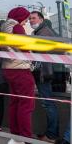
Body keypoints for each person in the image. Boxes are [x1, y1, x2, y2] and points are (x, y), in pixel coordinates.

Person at [0, 7, 34, 139]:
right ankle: (26, 137)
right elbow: (25, 47)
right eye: (25, 19)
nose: (25, 23)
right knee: (26, 105)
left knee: (15, 102)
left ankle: (16, 134)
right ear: (20, 18)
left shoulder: (4, 27)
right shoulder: (17, 27)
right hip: (20, 68)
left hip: (8, 67)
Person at [30, 11, 59, 142]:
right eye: (30, 19)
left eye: (34, 18)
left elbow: (40, 53)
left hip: (45, 73)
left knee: (48, 104)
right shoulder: (39, 32)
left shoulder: (44, 32)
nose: (31, 21)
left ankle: (51, 135)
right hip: (45, 73)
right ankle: (50, 133)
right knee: (47, 103)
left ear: (41, 19)